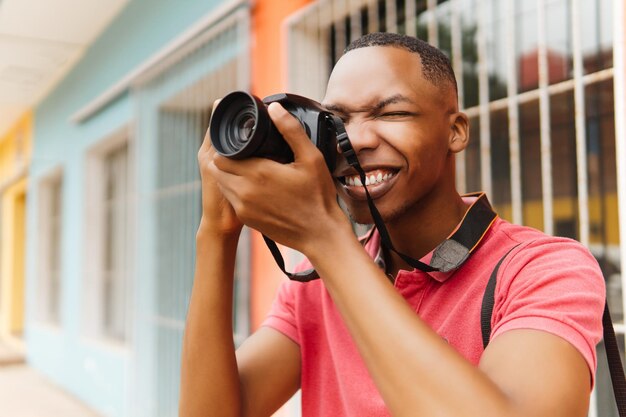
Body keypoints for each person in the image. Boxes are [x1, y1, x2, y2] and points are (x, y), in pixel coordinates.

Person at [179, 32, 605, 417]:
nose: (357, 139)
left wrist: (326, 237)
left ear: (455, 131)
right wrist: (216, 232)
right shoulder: (314, 282)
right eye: (338, 121)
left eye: (391, 114)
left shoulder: (543, 270)